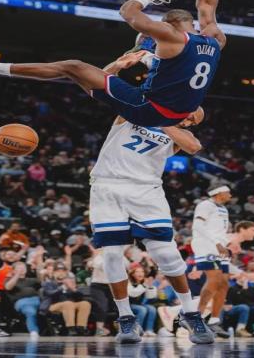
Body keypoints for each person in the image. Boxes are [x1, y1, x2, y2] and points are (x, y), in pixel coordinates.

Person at [0, 0, 224, 129]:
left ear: (166, 27)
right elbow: (207, 5)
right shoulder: (213, 38)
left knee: (73, 67)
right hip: (174, 111)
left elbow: (128, 11)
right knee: (80, 72)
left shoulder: (169, 35)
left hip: (150, 108)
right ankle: (140, 59)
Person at [87, 109, 213, 344]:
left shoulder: (177, 134)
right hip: (107, 186)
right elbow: (108, 92)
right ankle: (126, 318)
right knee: (112, 254)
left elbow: (194, 147)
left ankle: (189, 313)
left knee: (167, 254)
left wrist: (163, 120)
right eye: (189, 115)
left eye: (193, 122)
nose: (189, 122)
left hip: (146, 190)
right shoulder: (132, 114)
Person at [191, 186, 234, 338]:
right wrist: (217, 243)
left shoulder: (223, 208)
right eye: (228, 192)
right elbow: (197, 225)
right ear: (219, 193)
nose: (230, 195)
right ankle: (196, 317)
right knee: (214, 279)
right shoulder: (205, 205)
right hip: (206, 245)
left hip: (219, 246)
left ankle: (214, 320)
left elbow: (219, 231)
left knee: (224, 283)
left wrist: (225, 245)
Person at [40, 264, 92, 336]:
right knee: (68, 303)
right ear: (54, 272)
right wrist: (63, 287)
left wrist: (73, 289)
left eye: (63, 271)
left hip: (71, 304)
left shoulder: (71, 282)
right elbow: (50, 294)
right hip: (53, 305)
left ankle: (81, 327)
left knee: (85, 304)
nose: (61, 273)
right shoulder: (48, 283)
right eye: (58, 271)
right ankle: (71, 328)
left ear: (66, 273)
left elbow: (80, 297)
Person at [4, 262, 41, 340]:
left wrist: (38, 269)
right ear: (13, 270)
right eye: (19, 268)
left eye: (23, 267)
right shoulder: (8, 279)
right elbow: (8, 287)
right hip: (21, 302)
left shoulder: (31, 280)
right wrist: (16, 275)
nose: (21, 269)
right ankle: (33, 331)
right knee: (30, 311)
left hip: (36, 300)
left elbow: (42, 281)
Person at [127, 266, 157, 337]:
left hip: (139, 304)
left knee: (152, 308)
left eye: (142, 272)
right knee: (142, 309)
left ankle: (149, 330)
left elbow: (150, 296)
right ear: (132, 274)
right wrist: (144, 285)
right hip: (129, 305)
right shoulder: (129, 283)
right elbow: (132, 294)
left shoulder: (144, 283)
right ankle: (136, 330)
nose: (140, 273)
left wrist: (150, 286)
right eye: (137, 272)